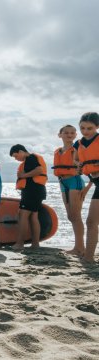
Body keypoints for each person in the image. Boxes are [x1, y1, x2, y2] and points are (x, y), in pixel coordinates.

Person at [52, 125, 86, 257]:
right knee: (70, 216)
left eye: (72, 133)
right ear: (60, 135)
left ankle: (81, 247)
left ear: (76, 135)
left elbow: (83, 165)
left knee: (76, 216)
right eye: (66, 133)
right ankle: (77, 246)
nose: (69, 135)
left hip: (74, 180)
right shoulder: (58, 151)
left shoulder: (77, 149)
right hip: (62, 182)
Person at [9, 144, 48, 251]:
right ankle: (35, 244)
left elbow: (39, 170)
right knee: (33, 217)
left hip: (32, 190)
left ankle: (20, 244)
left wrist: (23, 176)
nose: (16, 159)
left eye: (16, 156)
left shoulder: (30, 158)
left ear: (21, 151)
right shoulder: (30, 159)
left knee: (23, 215)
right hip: (36, 191)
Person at [77, 112, 99, 263]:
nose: (85, 131)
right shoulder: (79, 144)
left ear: (97, 127)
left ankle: (89, 258)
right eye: (82, 128)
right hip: (97, 183)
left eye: (90, 128)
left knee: (91, 221)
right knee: (91, 222)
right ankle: (89, 258)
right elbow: (80, 162)